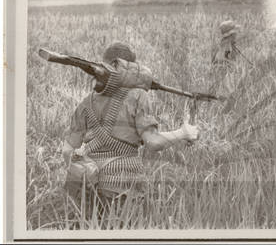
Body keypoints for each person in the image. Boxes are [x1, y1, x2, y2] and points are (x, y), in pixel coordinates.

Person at [62, 43, 199, 200]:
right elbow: (153, 142)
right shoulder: (138, 96)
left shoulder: (86, 103)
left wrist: (82, 173)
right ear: (131, 69)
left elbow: (67, 151)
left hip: (87, 188)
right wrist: (183, 133)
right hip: (123, 189)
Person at [210, 20, 246, 113]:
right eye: (235, 33)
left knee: (230, 96)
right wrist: (233, 65)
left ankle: (225, 113)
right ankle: (223, 114)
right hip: (225, 72)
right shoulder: (226, 45)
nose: (237, 35)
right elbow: (220, 59)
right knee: (230, 96)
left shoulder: (230, 44)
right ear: (231, 35)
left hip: (227, 72)